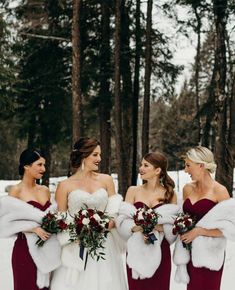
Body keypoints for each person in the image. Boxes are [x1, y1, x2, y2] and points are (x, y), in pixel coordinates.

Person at [50, 137, 127, 290]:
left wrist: (108, 223)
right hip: (76, 244)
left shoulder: (106, 180)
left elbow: (114, 210)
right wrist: (78, 229)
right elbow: (61, 219)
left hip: (105, 244)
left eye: (99, 154)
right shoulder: (64, 185)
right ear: (83, 156)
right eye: (95, 155)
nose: (99, 159)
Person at [173, 146, 235, 290]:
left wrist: (199, 231)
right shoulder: (187, 189)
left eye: (188, 165)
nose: (185, 170)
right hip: (189, 253)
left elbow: (230, 229)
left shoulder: (220, 191)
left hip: (210, 256)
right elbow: (183, 216)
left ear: (201, 165)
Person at [116, 152, 179, 290]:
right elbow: (122, 221)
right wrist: (137, 228)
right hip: (135, 250)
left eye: (146, 165)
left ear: (157, 170)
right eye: (141, 164)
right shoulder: (133, 191)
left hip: (161, 250)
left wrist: (154, 226)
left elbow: (173, 227)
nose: (141, 168)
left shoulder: (171, 194)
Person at [0, 149, 61, 290]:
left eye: (44, 165)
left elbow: (51, 216)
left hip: (47, 251)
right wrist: (33, 228)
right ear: (26, 166)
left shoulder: (45, 190)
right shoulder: (16, 191)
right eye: (39, 165)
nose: (43, 169)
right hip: (25, 251)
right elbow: (5, 223)